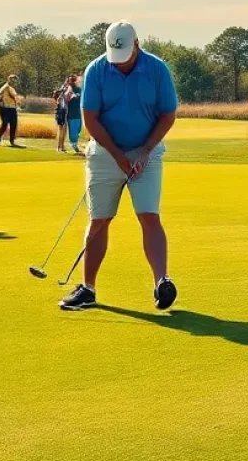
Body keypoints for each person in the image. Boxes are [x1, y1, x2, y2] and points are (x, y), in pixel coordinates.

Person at [59, 21, 179, 313]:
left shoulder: (157, 69)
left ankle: (162, 282)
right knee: (100, 220)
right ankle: (88, 289)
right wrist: (118, 156)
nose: (120, 64)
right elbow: (91, 119)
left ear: (137, 44)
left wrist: (145, 151)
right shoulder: (98, 69)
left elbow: (168, 114)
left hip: (146, 151)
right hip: (104, 151)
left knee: (149, 215)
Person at [0, 74, 21, 147]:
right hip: (7, 109)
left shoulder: (8, 87)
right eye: (13, 80)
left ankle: (9, 140)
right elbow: (0, 96)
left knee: (10, 125)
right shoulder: (7, 87)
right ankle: (1, 138)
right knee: (8, 124)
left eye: (15, 81)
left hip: (9, 108)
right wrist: (2, 103)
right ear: (9, 80)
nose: (15, 82)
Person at [64, 74, 83, 153]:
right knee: (73, 130)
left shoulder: (78, 89)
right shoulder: (66, 90)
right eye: (70, 80)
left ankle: (75, 142)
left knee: (79, 129)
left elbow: (78, 97)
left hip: (78, 113)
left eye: (73, 80)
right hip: (71, 113)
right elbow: (67, 98)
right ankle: (74, 144)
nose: (72, 82)